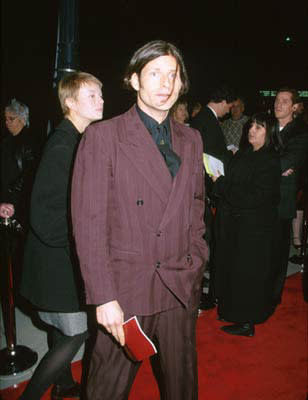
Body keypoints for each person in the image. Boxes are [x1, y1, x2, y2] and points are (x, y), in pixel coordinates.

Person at [71, 40, 208, 400]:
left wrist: (196, 260)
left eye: (172, 75)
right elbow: (89, 225)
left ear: (181, 83)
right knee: (106, 390)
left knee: (182, 388)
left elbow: (196, 207)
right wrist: (103, 297)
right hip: (126, 292)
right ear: (134, 80)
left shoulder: (191, 139)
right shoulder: (104, 137)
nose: (165, 84)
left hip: (179, 284)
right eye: (154, 74)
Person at [19, 71, 104, 400]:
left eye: (100, 94)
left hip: (57, 257)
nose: (100, 101)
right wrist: (81, 238)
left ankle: (64, 383)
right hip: (57, 262)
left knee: (60, 328)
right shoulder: (63, 144)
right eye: (92, 96)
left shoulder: (77, 137)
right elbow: (43, 213)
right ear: (70, 103)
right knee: (76, 333)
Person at [212, 113, 281, 336]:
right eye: (251, 125)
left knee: (247, 275)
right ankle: (233, 312)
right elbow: (235, 182)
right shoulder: (246, 153)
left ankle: (246, 322)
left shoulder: (269, 159)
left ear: (268, 133)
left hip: (254, 230)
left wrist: (221, 184)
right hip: (239, 225)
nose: (252, 130)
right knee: (235, 272)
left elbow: (254, 196)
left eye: (259, 127)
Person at [190, 85, 236, 310]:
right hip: (203, 188)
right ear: (223, 100)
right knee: (202, 239)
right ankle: (196, 291)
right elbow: (211, 154)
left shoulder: (205, 119)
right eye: (230, 104)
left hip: (205, 187)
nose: (230, 110)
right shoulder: (205, 120)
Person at [271, 88, 308, 306]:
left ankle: (273, 296)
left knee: (277, 250)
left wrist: (267, 161)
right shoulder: (267, 126)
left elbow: (286, 162)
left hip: (282, 198)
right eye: (277, 100)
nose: (278, 104)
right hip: (260, 196)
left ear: (294, 107)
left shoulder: (300, 132)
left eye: (284, 101)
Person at [0, 99, 37, 293]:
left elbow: (29, 175)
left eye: (11, 118)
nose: (7, 122)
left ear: (22, 119)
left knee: (17, 253)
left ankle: (17, 293)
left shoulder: (30, 143)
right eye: (5, 118)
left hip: (20, 208)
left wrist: (13, 200)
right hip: (6, 206)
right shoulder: (7, 142)